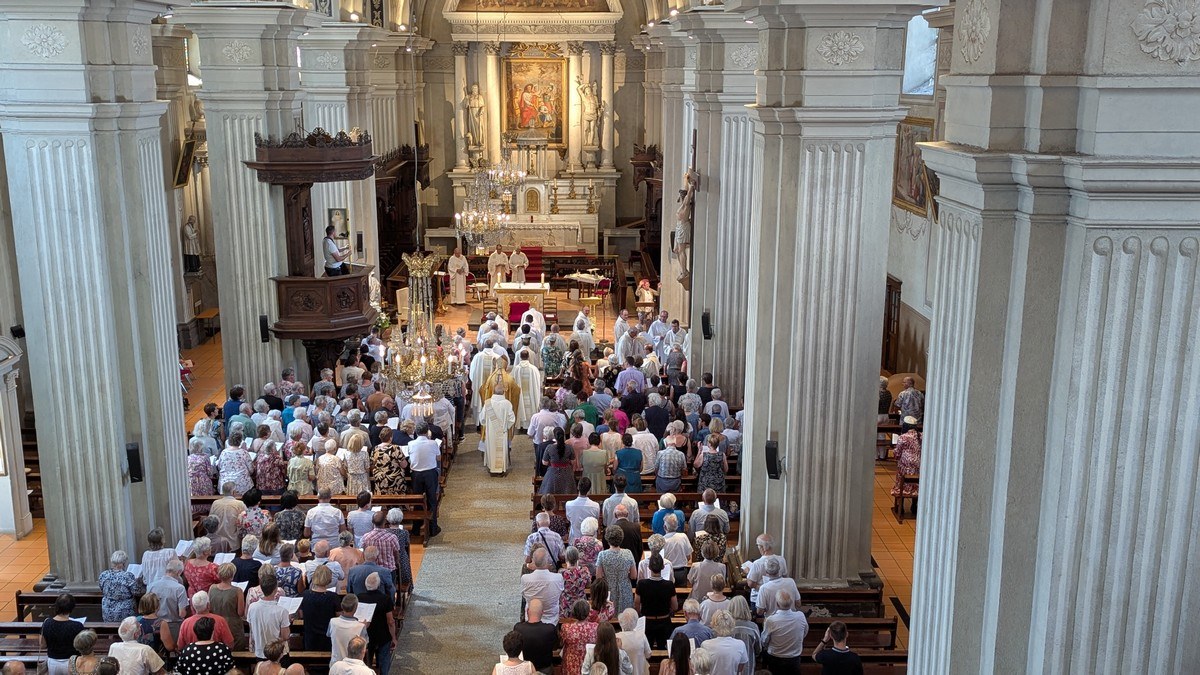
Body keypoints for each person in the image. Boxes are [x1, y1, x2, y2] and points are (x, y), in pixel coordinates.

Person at [634, 553, 677, 650]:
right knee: (664, 650)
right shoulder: (669, 585)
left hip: (647, 622)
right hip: (664, 621)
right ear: (663, 567)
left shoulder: (642, 584)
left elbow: (636, 604)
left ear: (649, 567)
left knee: (646, 650)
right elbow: (675, 606)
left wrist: (642, 613)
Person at [760, 590, 809, 674]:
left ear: (777, 604)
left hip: (775, 657)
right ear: (791, 602)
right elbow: (804, 632)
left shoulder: (771, 620)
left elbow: (764, 640)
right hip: (794, 657)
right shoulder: (800, 616)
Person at [408, 421, 443, 537]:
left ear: (416, 432)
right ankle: (433, 528)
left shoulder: (411, 443)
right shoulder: (433, 443)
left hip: (416, 475)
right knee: (432, 500)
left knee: (418, 500)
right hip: (430, 473)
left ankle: (416, 529)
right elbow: (438, 458)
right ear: (427, 431)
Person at [356, 573, 396, 673]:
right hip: (383, 635)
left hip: (366, 634)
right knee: (384, 660)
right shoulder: (385, 598)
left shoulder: (359, 597)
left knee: (366, 661)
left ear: (366, 585)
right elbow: (390, 621)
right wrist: (394, 637)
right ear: (378, 585)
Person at [246, 573, 290, 659]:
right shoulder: (281, 611)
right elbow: (285, 636)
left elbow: (252, 627)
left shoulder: (252, 607)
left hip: (260, 651)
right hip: (277, 653)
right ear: (275, 589)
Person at [594, 525, 636, 613]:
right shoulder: (628, 553)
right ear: (621, 538)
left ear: (607, 538)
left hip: (609, 590)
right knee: (626, 616)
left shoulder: (602, 555)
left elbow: (598, 577)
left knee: (610, 615)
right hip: (625, 590)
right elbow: (633, 576)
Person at [41, 593, 85, 675]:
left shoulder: (47, 623)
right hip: (71, 662)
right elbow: (82, 646)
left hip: (53, 661)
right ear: (71, 608)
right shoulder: (77, 626)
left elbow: (42, 645)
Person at [512, 599, 558, 675]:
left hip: (525, 669)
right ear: (542, 613)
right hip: (545, 670)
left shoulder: (518, 628)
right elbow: (555, 647)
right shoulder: (550, 629)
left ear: (527, 611)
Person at [299, 565, 339, 650]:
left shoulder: (305, 595)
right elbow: (338, 617)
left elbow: (301, 615)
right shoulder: (333, 597)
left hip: (310, 638)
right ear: (329, 578)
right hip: (328, 638)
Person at [482, 380, 517, 475]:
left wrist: (487, 425)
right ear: (503, 392)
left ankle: (492, 468)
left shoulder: (488, 403)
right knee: (501, 450)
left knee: (492, 450)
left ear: (493, 391)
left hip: (491, 432)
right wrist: (505, 427)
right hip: (502, 431)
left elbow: (482, 418)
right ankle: (500, 470)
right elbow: (512, 419)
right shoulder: (507, 403)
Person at [520, 548, 564, 624]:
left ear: (533, 561)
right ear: (547, 561)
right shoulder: (558, 578)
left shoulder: (525, 579)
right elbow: (560, 594)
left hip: (531, 619)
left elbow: (524, 595)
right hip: (552, 620)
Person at [746, 534, 789, 610]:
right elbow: (785, 577)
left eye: (758, 545)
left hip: (759, 599)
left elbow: (750, 584)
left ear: (762, 547)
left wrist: (748, 572)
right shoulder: (781, 559)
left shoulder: (757, 563)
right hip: (778, 598)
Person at [208, 563, 246, 650]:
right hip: (233, 626)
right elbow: (240, 612)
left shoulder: (212, 588)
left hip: (215, 624)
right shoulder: (238, 591)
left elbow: (209, 607)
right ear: (232, 576)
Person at [699, 610, 748, 675]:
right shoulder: (740, 645)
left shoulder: (705, 645)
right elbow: (740, 669)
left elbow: (703, 669)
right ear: (732, 625)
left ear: (713, 625)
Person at [147, 559, 188, 634]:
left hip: (154, 625)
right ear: (179, 572)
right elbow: (182, 614)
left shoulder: (151, 586)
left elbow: (147, 607)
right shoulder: (179, 588)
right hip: (172, 626)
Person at [891, 415, 922, 513]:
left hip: (905, 466)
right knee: (915, 481)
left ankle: (901, 506)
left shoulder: (903, 437)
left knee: (901, 480)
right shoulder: (920, 436)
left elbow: (897, 453)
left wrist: (895, 455)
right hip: (918, 465)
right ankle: (914, 505)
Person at [559, 600, 598, 675]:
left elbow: (561, 643)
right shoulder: (595, 627)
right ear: (588, 612)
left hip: (571, 664)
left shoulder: (566, 628)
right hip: (588, 662)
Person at [328, 594, 368, 665]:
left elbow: (329, 635)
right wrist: (365, 627)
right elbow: (364, 646)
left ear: (342, 605)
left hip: (335, 663)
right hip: (354, 665)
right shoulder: (360, 626)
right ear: (356, 608)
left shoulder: (332, 622)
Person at [728, 596, 761, 675]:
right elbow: (758, 649)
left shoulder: (727, 627)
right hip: (748, 666)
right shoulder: (753, 627)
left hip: (730, 666)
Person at [539, 428, 576, 495]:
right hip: (567, 473)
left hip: (553, 472)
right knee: (567, 492)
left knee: (550, 492)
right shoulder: (569, 447)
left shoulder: (549, 447)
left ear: (555, 437)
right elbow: (573, 461)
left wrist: (552, 462)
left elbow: (545, 462)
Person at [661, 515, 693, 585]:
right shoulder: (683, 536)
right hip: (681, 571)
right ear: (677, 526)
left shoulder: (662, 540)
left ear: (665, 527)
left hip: (667, 571)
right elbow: (688, 557)